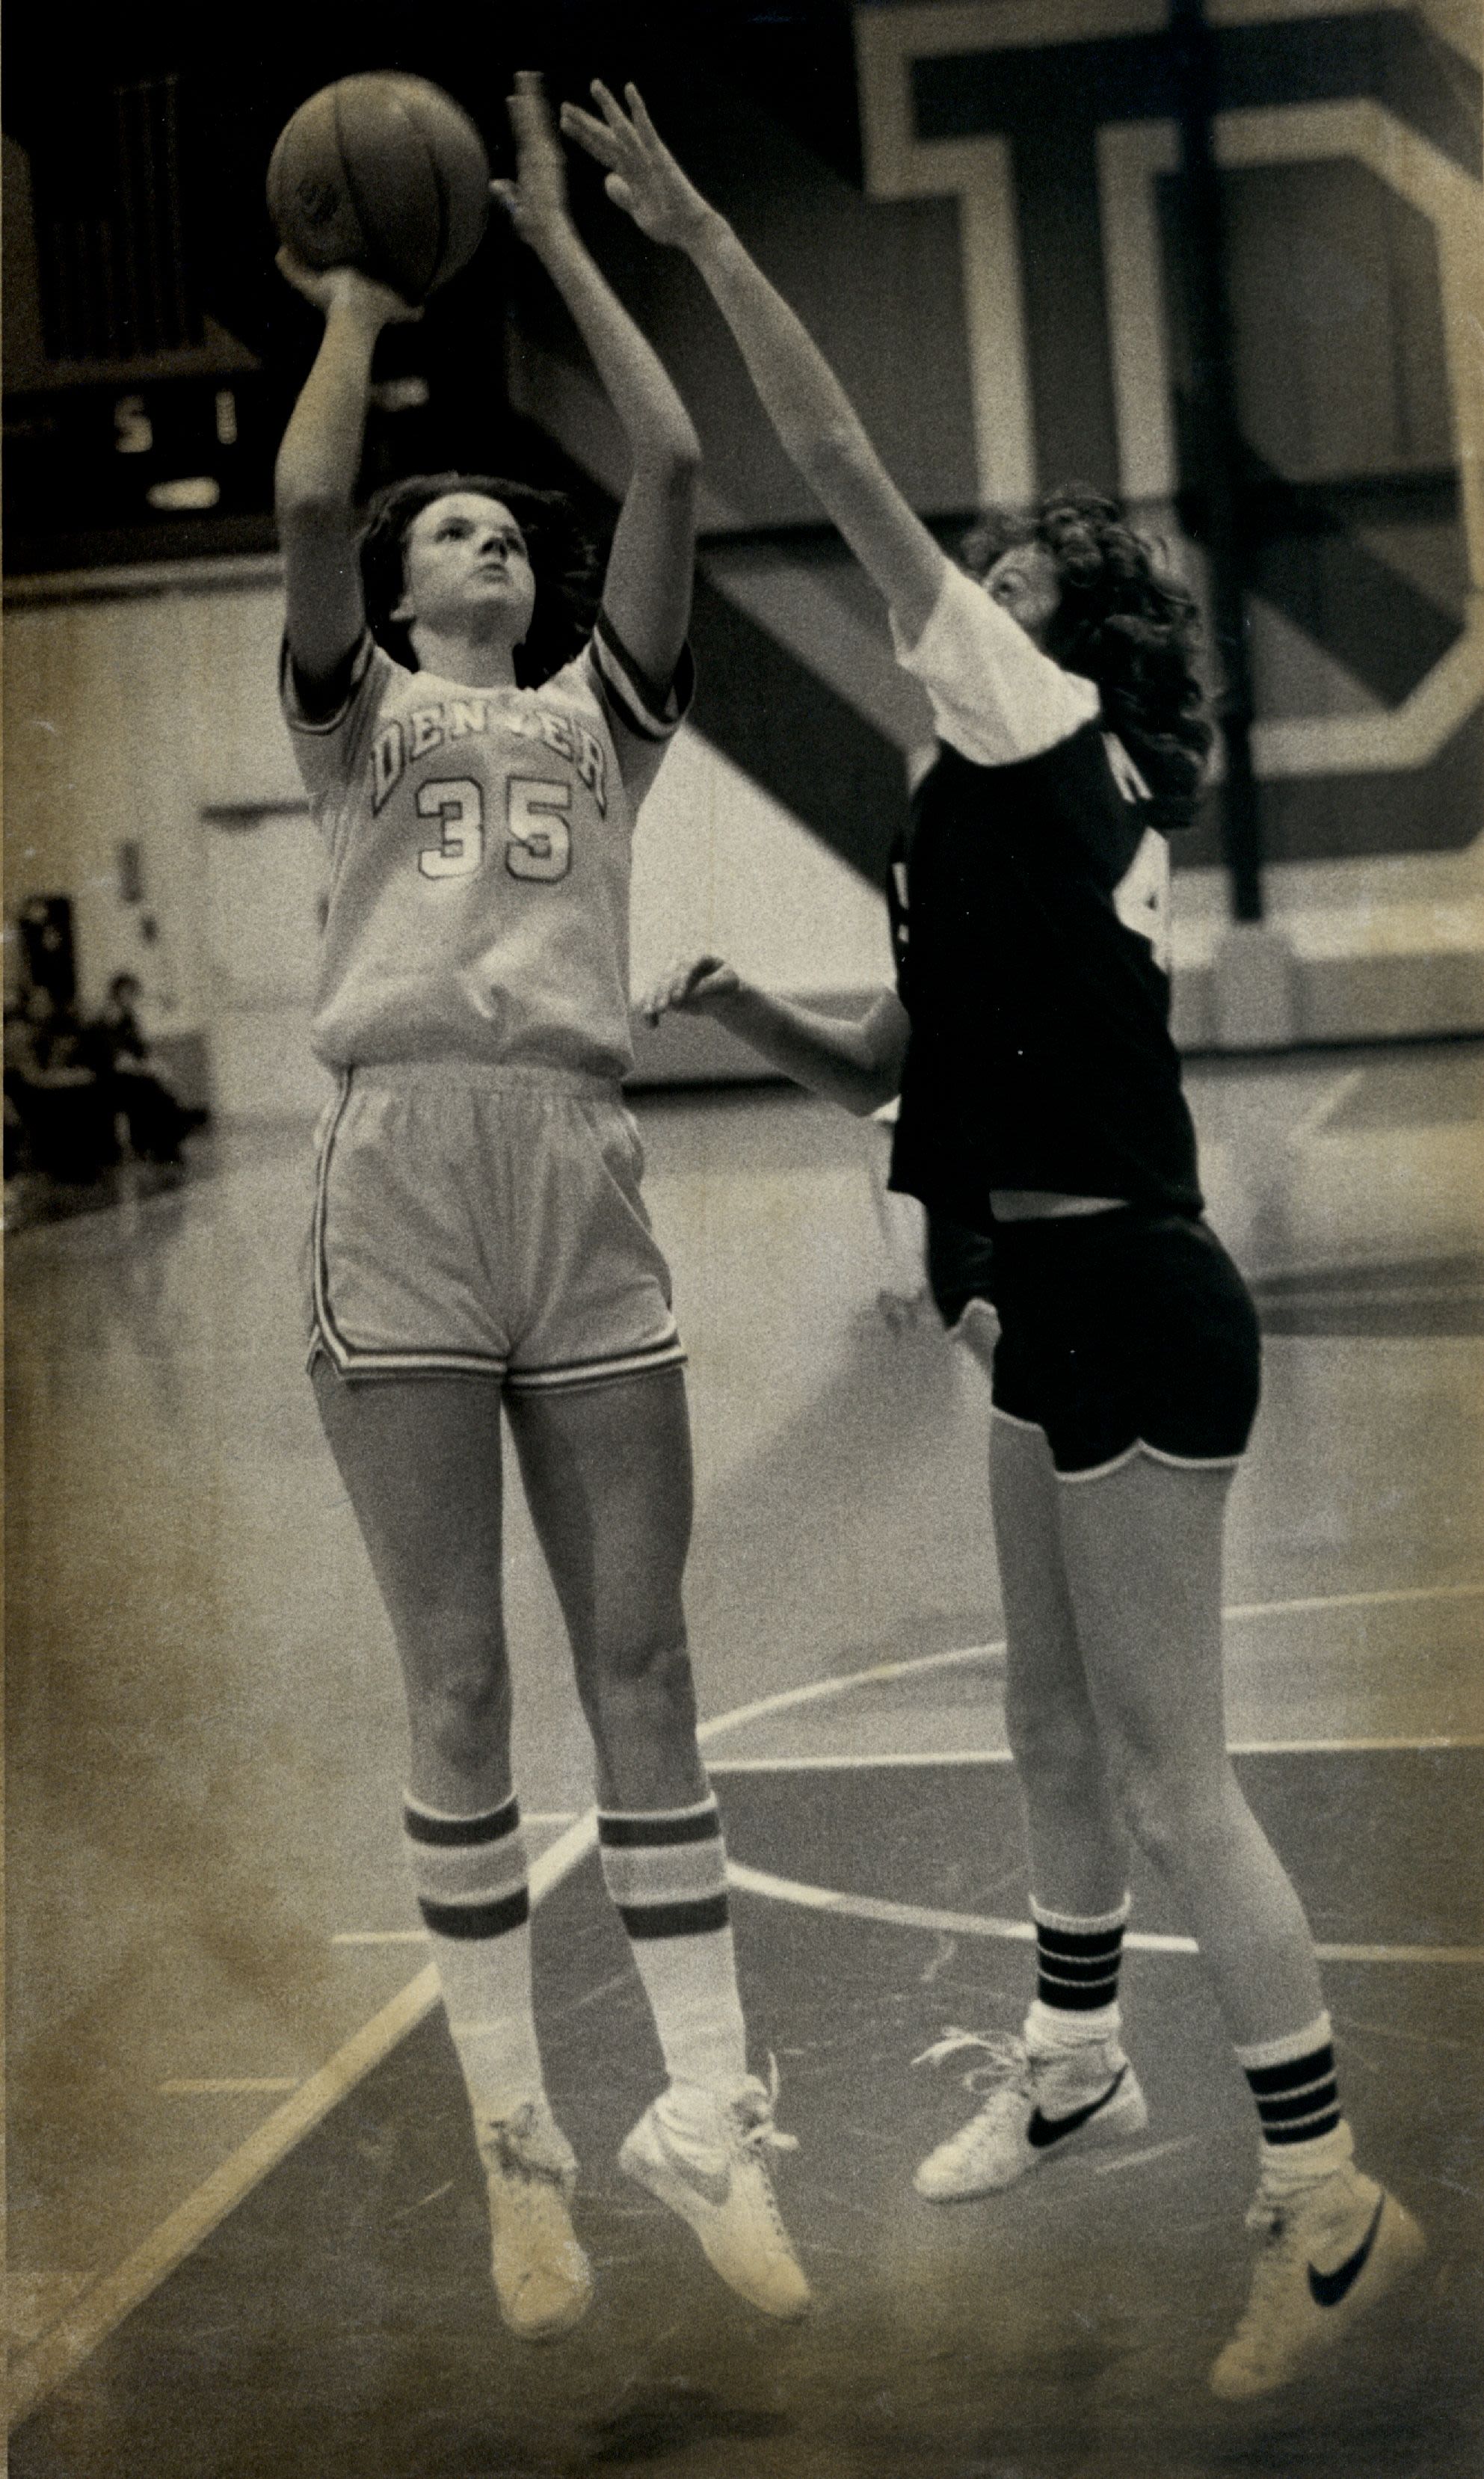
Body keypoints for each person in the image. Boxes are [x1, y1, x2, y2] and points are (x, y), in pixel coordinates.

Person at [565, 84, 1425, 2399]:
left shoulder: (1029, 716)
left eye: (1019, 555)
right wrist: (741, 996)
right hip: (1038, 1291)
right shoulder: (977, 807)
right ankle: (1072, 2059)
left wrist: (695, 225)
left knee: (1169, 1771)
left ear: (1064, 623)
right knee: (1047, 1721)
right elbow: (905, 1074)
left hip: (1135, 1289)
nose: (976, 564)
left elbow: (836, 453)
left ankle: (1322, 2193)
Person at [274, 73, 809, 2343]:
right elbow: (310, 481)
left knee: (645, 1659)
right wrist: (360, 299)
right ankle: (520, 2160)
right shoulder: (355, 717)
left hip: (580, 1179)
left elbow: (677, 467)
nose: (494, 537)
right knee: (467, 1683)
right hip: (397, 1178)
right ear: (402, 592)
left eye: (509, 525)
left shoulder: (604, 716)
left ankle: (706, 2117)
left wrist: (560, 232)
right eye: (459, 529)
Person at [85, 971, 208, 1167]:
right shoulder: (103, 1024)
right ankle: (161, 1145)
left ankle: (165, 1144)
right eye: (127, 995)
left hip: (131, 1076)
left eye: (133, 995)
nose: (131, 1000)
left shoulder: (128, 1020)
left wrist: (155, 1066)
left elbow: (140, 1051)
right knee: (150, 1092)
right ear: (116, 995)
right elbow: (117, 1061)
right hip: (111, 1080)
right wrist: (146, 1068)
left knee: (157, 1090)